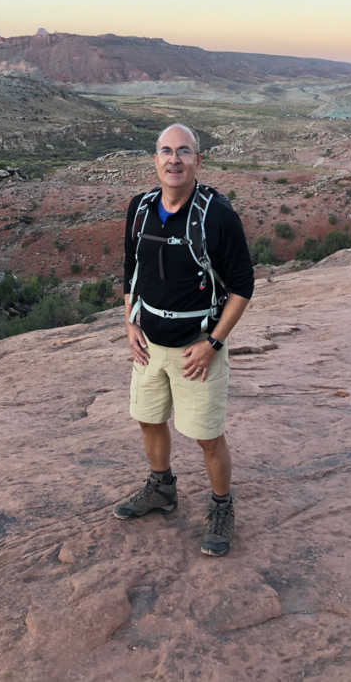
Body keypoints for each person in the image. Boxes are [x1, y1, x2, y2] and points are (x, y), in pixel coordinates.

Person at [113, 123, 254, 556]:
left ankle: (221, 506)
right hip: (149, 345)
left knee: (207, 435)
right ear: (155, 160)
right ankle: (161, 488)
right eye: (165, 151)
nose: (174, 159)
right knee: (149, 418)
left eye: (184, 151)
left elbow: (243, 287)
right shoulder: (139, 208)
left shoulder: (218, 216)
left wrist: (213, 343)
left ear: (198, 161)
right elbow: (130, 271)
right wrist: (129, 323)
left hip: (197, 348)